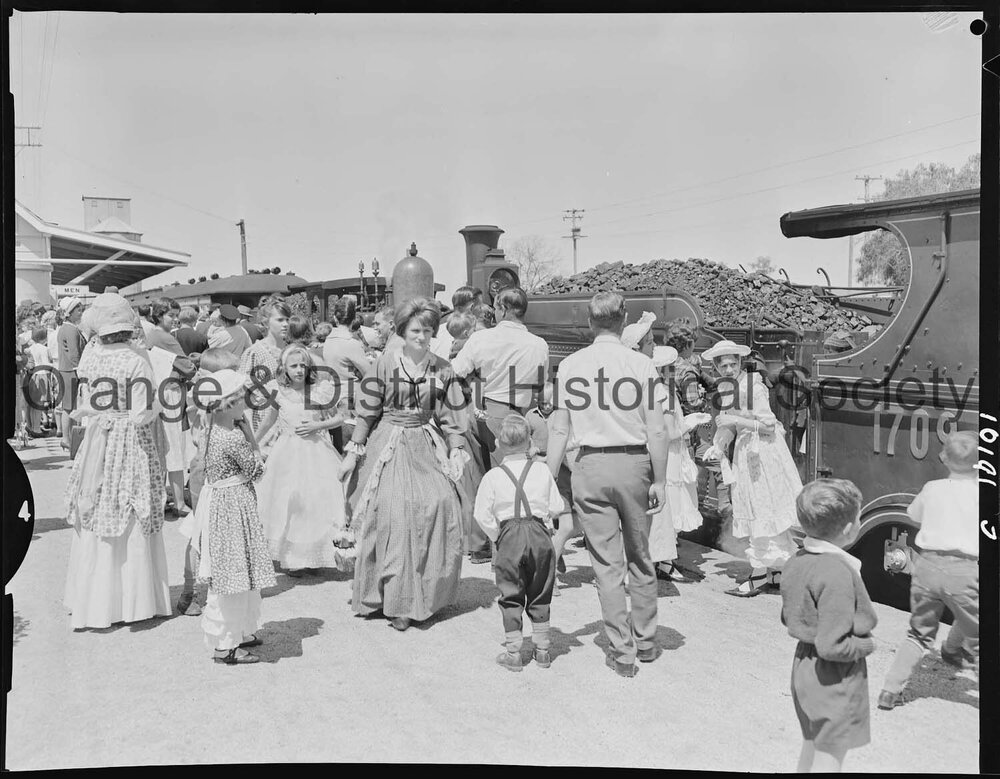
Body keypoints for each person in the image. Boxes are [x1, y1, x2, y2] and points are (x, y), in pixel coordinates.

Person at [545, 292, 669, 678]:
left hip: (590, 467)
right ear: (623, 319)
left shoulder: (570, 366)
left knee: (606, 564)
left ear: (589, 323)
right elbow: (657, 429)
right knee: (640, 555)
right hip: (635, 465)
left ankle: (621, 650)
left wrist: (547, 478)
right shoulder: (641, 365)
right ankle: (646, 642)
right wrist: (661, 479)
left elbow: (560, 428)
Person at [338, 298, 468, 632]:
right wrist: (355, 448)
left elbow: (452, 417)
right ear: (403, 331)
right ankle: (386, 597)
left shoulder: (443, 368)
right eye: (415, 330)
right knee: (392, 510)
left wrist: (455, 449)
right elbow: (368, 408)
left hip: (425, 442)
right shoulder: (384, 363)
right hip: (389, 441)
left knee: (437, 506)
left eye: (427, 330)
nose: (422, 336)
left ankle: (419, 596)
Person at [62, 300, 172, 629]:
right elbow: (141, 413)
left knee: (98, 507)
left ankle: (95, 601)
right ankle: (134, 601)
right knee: (132, 508)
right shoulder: (137, 359)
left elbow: (85, 400)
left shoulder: (92, 357)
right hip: (129, 439)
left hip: (98, 437)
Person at [179, 368, 276, 665]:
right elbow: (256, 470)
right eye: (241, 400)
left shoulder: (212, 431)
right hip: (233, 507)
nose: (245, 404)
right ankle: (226, 643)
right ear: (229, 405)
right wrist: (254, 443)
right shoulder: (232, 437)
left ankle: (240, 631)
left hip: (224, 504)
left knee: (238, 569)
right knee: (234, 572)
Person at [877, 430, 980, 710]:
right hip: (965, 572)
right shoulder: (982, 493)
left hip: (927, 568)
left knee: (918, 635)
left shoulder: (932, 488)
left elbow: (913, 515)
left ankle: (890, 689)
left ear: (944, 458)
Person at [781, 478, 876, 773]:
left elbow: (789, 616)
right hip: (834, 677)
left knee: (812, 742)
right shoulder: (836, 572)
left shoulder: (797, 560)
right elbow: (832, 645)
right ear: (849, 529)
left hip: (803, 667)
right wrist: (866, 645)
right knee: (830, 755)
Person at [451, 287, 549, 565]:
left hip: (483, 408)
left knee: (477, 477)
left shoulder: (482, 338)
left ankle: (479, 544)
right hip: (518, 413)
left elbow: (456, 370)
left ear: (501, 308)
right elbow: (540, 383)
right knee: (512, 481)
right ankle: (510, 547)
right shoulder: (538, 344)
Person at [702, 339, 802, 597]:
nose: (727, 369)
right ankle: (777, 573)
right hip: (746, 451)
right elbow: (727, 424)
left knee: (763, 508)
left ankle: (759, 576)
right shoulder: (729, 388)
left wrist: (736, 419)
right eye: (721, 365)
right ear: (715, 367)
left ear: (739, 362)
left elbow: (768, 425)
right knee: (759, 508)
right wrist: (719, 445)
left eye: (731, 363)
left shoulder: (754, 388)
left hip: (764, 452)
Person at [474, 414, 563, 672]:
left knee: (511, 592)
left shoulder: (492, 476)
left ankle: (514, 652)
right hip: (538, 533)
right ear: (529, 442)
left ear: (500, 444)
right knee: (541, 589)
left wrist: (497, 536)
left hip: (509, 535)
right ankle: (543, 649)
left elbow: (481, 514)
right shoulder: (542, 470)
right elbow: (556, 507)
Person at [254, 345, 347, 575]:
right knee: (288, 502)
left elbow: (339, 417)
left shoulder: (318, 391)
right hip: (286, 452)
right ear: (284, 368)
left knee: (315, 501)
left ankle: (312, 553)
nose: (299, 370)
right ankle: (292, 556)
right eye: (294, 366)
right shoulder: (278, 392)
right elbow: (268, 420)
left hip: (316, 451)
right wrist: (253, 441)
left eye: (303, 366)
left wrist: (318, 425)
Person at [176, 348, 240, 617]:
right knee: (199, 531)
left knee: (217, 531)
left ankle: (218, 586)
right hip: (208, 470)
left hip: (216, 468)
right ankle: (188, 593)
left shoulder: (204, 396)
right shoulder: (206, 401)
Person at [647, 346, 711, 583]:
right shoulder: (663, 393)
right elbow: (668, 431)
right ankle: (664, 562)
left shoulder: (656, 390)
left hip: (668, 452)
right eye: (672, 366)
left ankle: (662, 559)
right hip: (670, 454)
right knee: (672, 504)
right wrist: (690, 422)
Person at [524, 380, 581, 590]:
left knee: (574, 526)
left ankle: (554, 556)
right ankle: (548, 573)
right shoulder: (554, 418)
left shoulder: (564, 414)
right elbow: (557, 446)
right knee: (566, 526)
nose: (548, 406)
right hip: (560, 477)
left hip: (571, 476)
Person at [146, 297, 196, 517]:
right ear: (159, 316)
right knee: (174, 445)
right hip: (172, 392)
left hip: (157, 391)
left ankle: (161, 497)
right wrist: (195, 361)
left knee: (161, 444)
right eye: (171, 316)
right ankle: (179, 502)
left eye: (176, 316)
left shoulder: (150, 335)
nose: (175, 320)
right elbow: (188, 367)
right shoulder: (166, 337)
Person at [239, 297, 291, 436]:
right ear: (266, 322)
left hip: (289, 418)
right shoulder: (255, 352)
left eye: (287, 319)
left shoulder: (292, 352)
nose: (285, 324)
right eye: (280, 320)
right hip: (264, 421)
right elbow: (244, 391)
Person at [322, 296, 371, 408]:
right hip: (351, 396)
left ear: (335, 318)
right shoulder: (351, 343)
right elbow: (369, 374)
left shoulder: (328, 340)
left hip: (332, 394)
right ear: (353, 319)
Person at [56, 296, 87, 453]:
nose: (81, 313)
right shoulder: (71, 329)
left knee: (68, 406)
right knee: (70, 407)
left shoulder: (65, 328)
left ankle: (66, 438)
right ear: (70, 312)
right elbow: (74, 353)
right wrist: (80, 369)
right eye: (78, 310)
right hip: (71, 372)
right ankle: (67, 439)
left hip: (66, 371)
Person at [431, 285, 481, 359]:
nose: (481, 310)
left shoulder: (437, 330)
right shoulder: (473, 333)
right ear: (471, 308)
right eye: (479, 306)